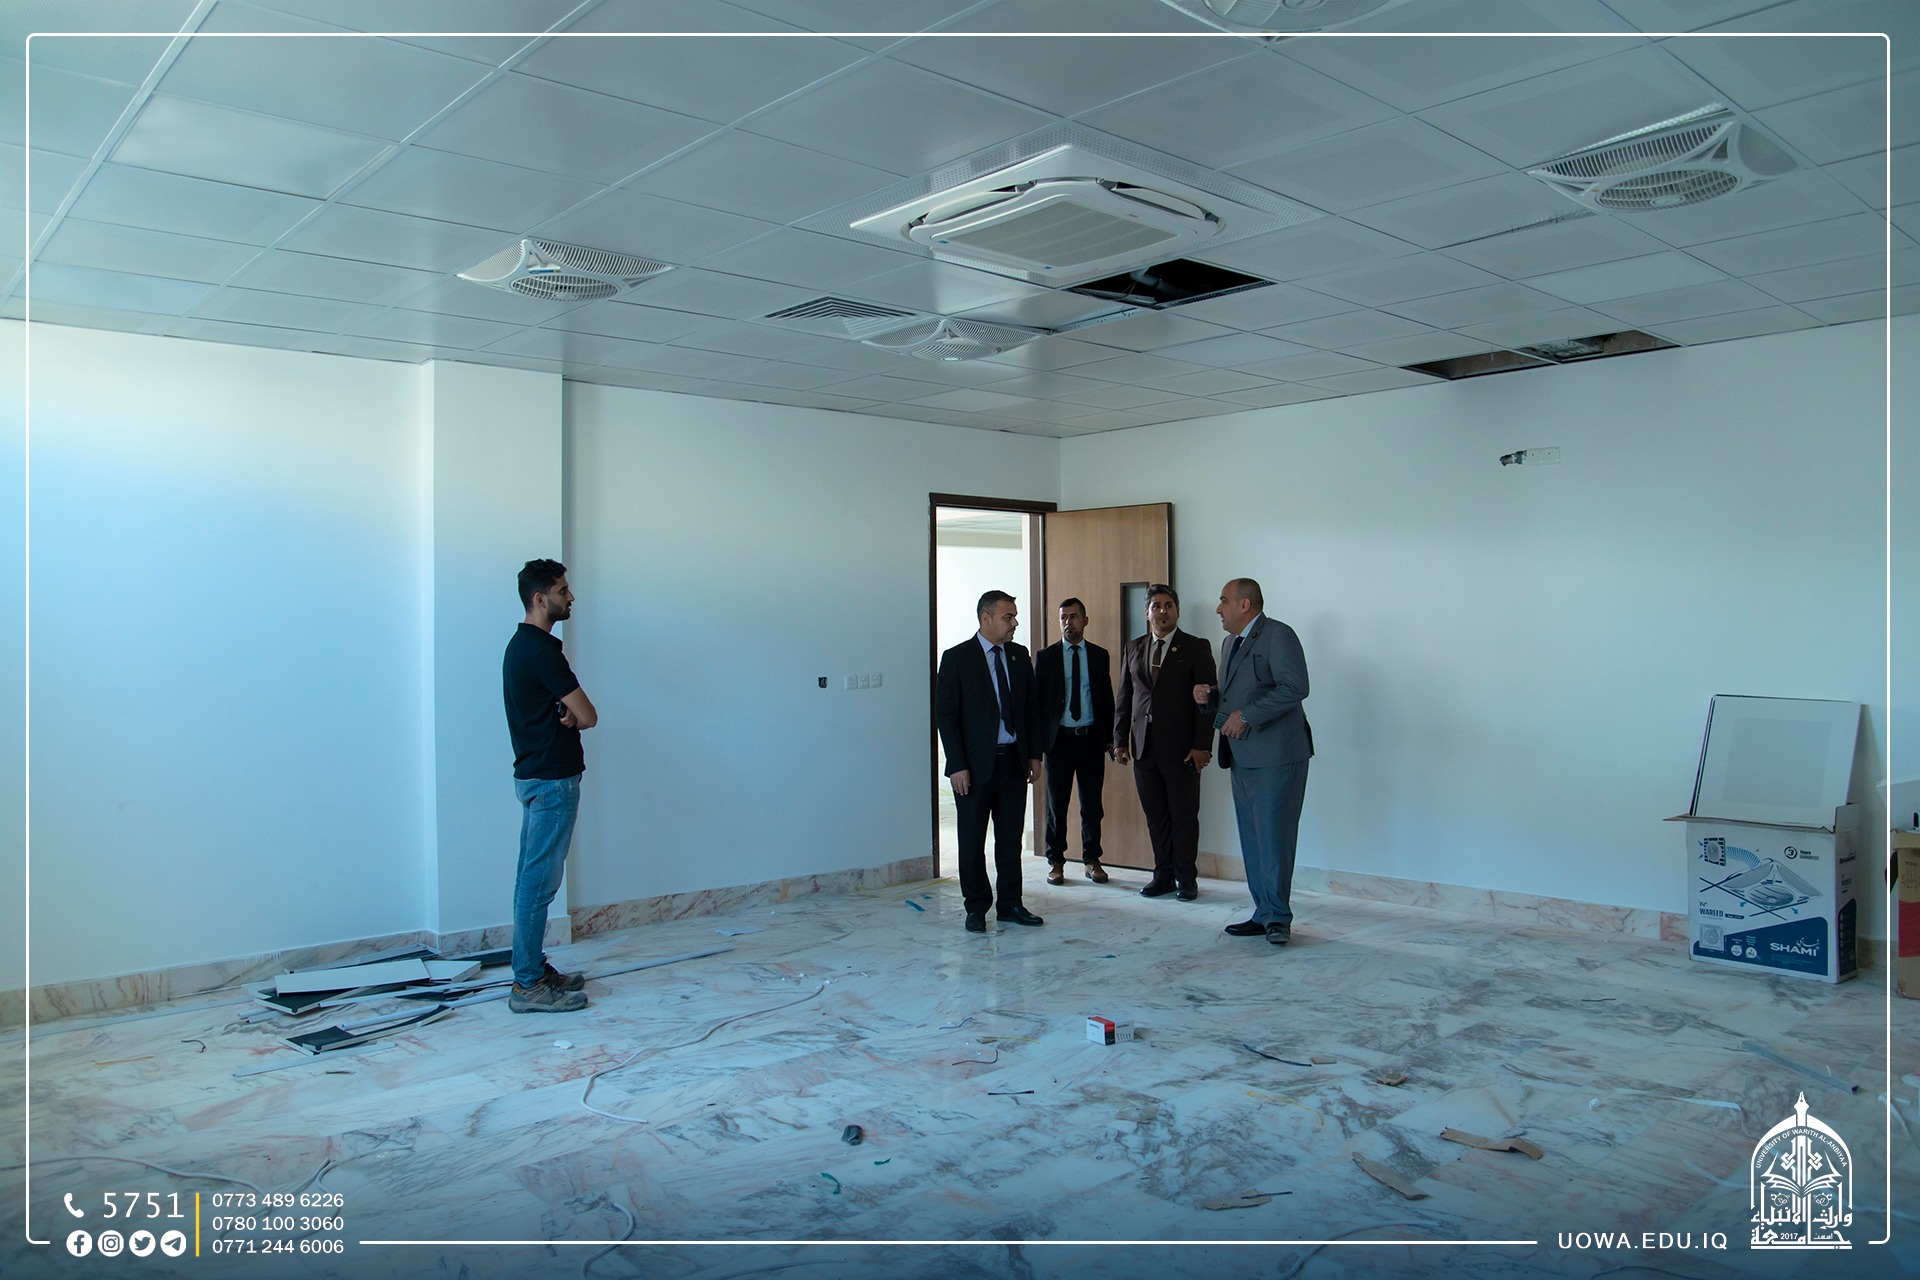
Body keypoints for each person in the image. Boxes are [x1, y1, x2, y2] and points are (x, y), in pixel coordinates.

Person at [502, 559, 598, 1012]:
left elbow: (560, 711)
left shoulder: (519, 646)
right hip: (552, 781)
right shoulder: (543, 651)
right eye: (562, 590)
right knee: (538, 885)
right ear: (540, 599)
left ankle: (533, 971)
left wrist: (567, 715)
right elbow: (589, 715)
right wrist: (574, 716)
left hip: (534, 776)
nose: (570, 596)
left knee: (530, 880)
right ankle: (527, 986)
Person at [1195, 578, 1312, 946]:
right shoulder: (1230, 643)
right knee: (1253, 838)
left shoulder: (1279, 635)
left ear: (1245, 604)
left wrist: (1247, 716)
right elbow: (1240, 694)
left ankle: (1278, 917)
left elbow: (1295, 687)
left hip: (1277, 756)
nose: (1218, 609)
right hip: (1242, 755)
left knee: (1274, 837)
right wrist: (1211, 696)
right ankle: (1263, 912)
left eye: (1224, 601)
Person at [936, 590, 1045, 933]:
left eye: (1015, 617)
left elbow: (1030, 708)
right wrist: (957, 764)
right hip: (973, 767)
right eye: (1008, 617)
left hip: (1013, 762)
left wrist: (1034, 754)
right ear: (986, 619)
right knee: (971, 843)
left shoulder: (1018, 655)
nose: (1014, 623)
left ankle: (1011, 904)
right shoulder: (957, 658)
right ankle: (976, 907)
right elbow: (946, 716)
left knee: (1010, 841)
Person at [1113, 585, 1216, 901]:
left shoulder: (1196, 647)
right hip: (1144, 747)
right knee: (1156, 817)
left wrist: (1202, 745)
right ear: (1147, 613)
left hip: (1183, 750)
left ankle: (1186, 879)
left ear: (1177, 611)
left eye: (1169, 605)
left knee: (1183, 816)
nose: (1162, 611)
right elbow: (1125, 697)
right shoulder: (1134, 647)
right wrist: (1119, 740)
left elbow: (1208, 702)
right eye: (1156, 606)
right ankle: (1163, 876)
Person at [1034, 598, 1116, 886]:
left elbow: (1106, 697)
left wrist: (1110, 738)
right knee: (1057, 805)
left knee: (1092, 805)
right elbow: (1038, 703)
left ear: (1085, 620)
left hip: (1091, 740)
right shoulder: (1046, 657)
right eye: (1063, 618)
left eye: (1074, 616)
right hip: (1059, 742)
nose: (1068, 622)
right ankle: (1056, 861)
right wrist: (1037, 745)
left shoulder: (1099, 655)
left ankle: (1092, 860)